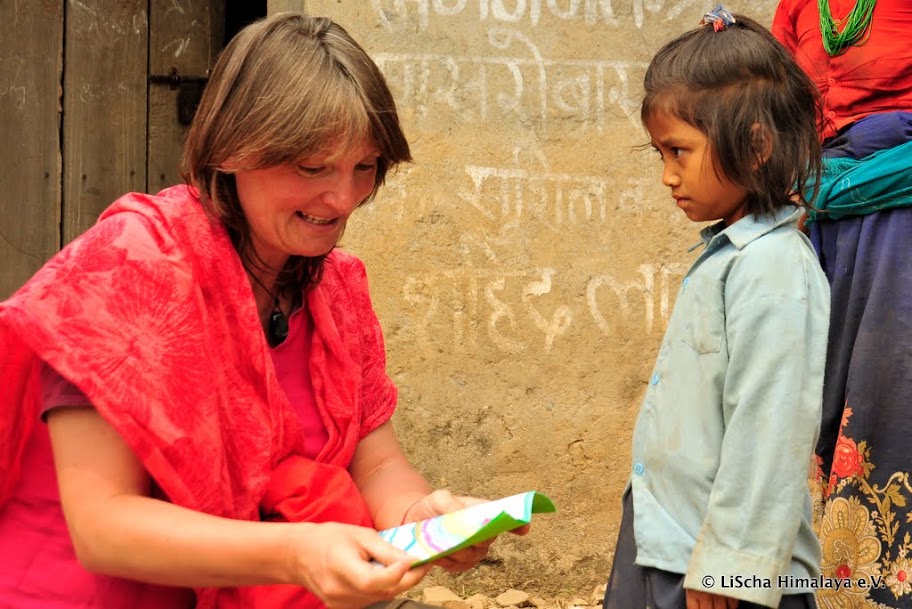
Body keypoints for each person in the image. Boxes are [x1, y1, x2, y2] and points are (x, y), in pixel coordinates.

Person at [0, 13, 518, 609]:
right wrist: (295, 553)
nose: (343, 198)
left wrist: (421, 519)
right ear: (231, 151)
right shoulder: (129, 268)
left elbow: (377, 468)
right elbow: (103, 528)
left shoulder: (336, 289)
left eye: (365, 166)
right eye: (312, 166)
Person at [601, 6, 829, 609]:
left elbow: (770, 423)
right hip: (670, 540)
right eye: (660, 155)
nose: (667, 176)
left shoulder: (774, 267)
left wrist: (733, 563)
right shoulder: (730, 255)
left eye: (679, 152)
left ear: (754, 146)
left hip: (722, 571)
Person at [772, 2, 912, 607]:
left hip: (900, 219)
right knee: (825, 397)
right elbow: (778, 111)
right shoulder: (798, 7)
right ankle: (835, 578)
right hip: (824, 221)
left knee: (888, 385)